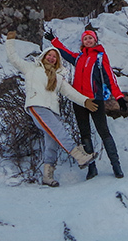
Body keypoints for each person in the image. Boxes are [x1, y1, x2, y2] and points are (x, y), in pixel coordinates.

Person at [5, 31, 97, 187]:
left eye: (55, 57)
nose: (52, 58)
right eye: (49, 55)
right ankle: (79, 156)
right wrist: (10, 42)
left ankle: (47, 176)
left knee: (52, 143)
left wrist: (85, 101)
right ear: (44, 56)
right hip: (37, 105)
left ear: (57, 60)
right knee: (60, 131)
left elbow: (70, 92)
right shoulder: (31, 68)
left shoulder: (58, 77)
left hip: (52, 110)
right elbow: (13, 59)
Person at [50, 26, 125, 179]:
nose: (88, 40)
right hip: (79, 102)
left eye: (90, 38)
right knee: (85, 134)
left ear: (95, 40)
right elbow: (64, 52)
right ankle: (92, 168)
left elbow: (110, 77)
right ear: (83, 42)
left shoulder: (100, 56)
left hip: (95, 100)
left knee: (104, 132)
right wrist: (53, 40)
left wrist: (119, 97)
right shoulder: (78, 58)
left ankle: (116, 166)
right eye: (85, 38)